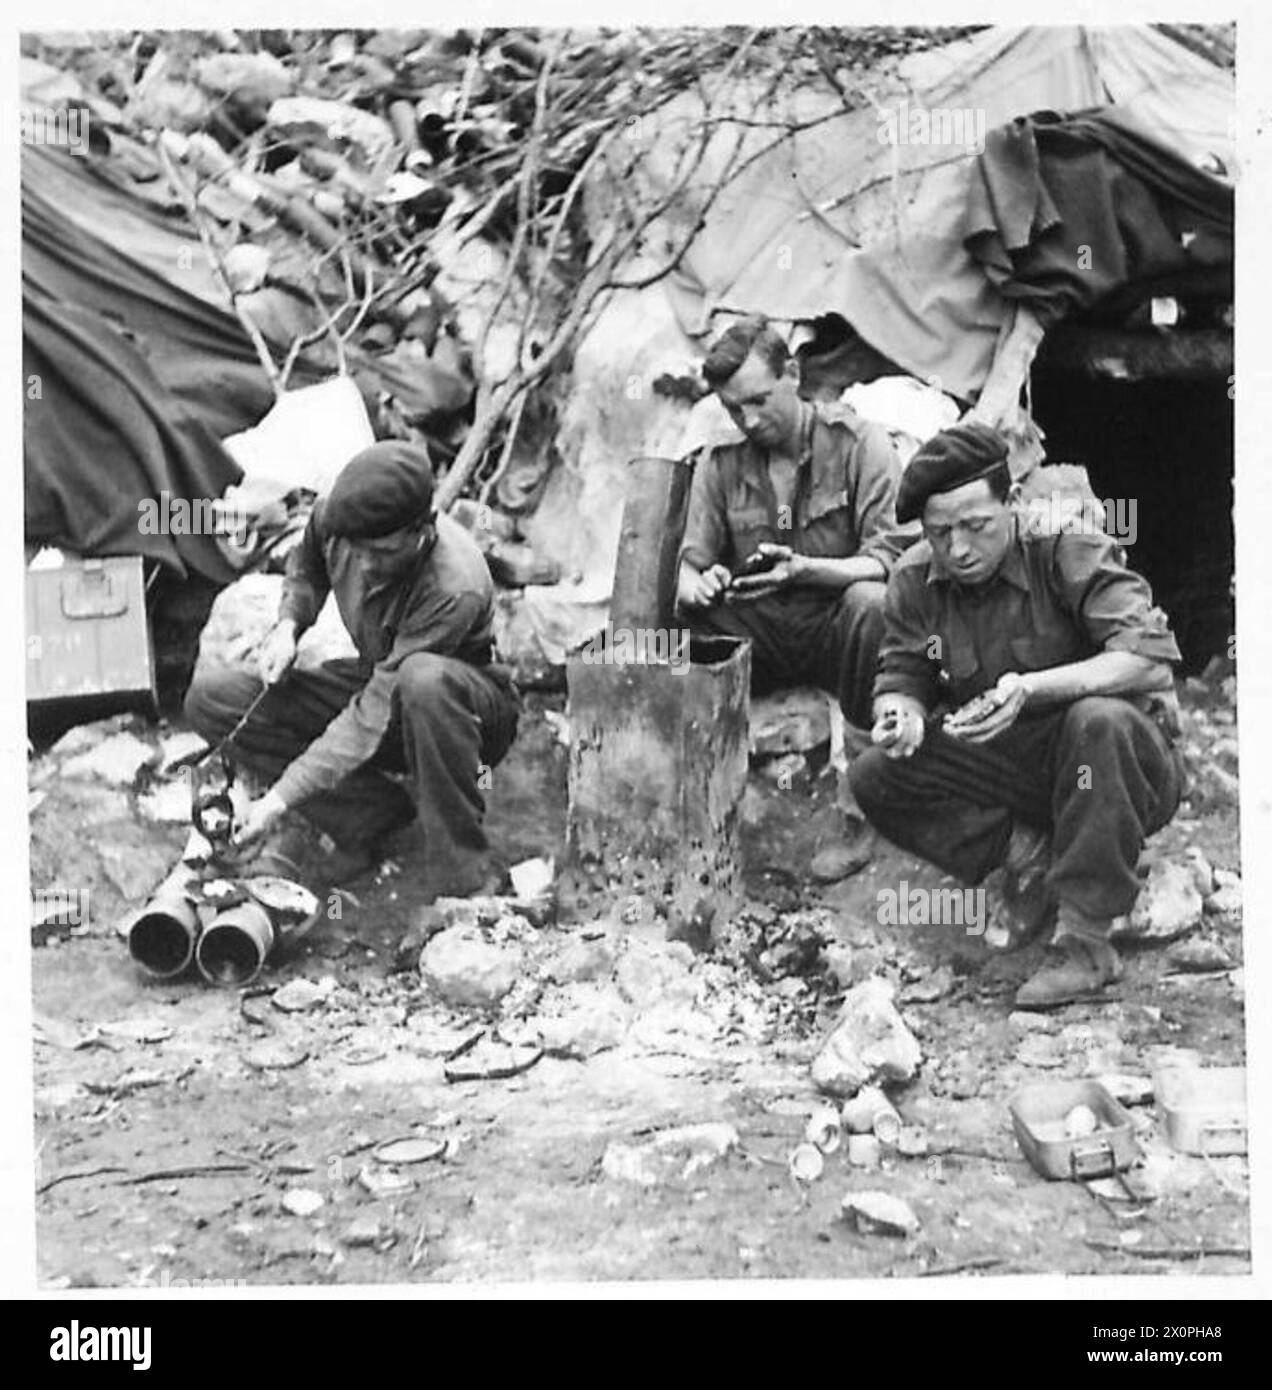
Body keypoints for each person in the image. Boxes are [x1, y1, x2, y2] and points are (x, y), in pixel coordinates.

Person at [848, 422, 1184, 1008]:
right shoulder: (916, 579)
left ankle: (1085, 943)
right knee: (876, 774)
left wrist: (1032, 689)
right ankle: (1033, 863)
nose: (958, 549)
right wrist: (901, 714)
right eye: (939, 533)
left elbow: (1146, 657)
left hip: (1118, 768)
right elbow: (903, 672)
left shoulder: (1066, 548)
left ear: (1014, 501)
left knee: (1098, 720)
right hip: (1019, 768)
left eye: (976, 526)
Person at [184, 442, 520, 895]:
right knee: (212, 699)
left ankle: (465, 875)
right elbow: (307, 565)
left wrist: (277, 800)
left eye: (381, 552)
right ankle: (369, 815)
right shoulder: (339, 520)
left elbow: (372, 712)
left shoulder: (454, 586)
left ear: (422, 529)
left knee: (424, 681)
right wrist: (289, 626)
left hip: (461, 710)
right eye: (355, 550)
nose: (364, 564)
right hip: (381, 677)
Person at [676, 316, 918, 727]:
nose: (750, 421)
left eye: (760, 400)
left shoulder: (859, 444)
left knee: (873, 604)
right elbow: (688, 565)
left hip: (833, 627)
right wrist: (698, 587)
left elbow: (891, 560)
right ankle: (707, 737)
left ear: (792, 374)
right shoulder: (719, 460)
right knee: (668, 626)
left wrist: (806, 571)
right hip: (759, 631)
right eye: (734, 409)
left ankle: (868, 734)